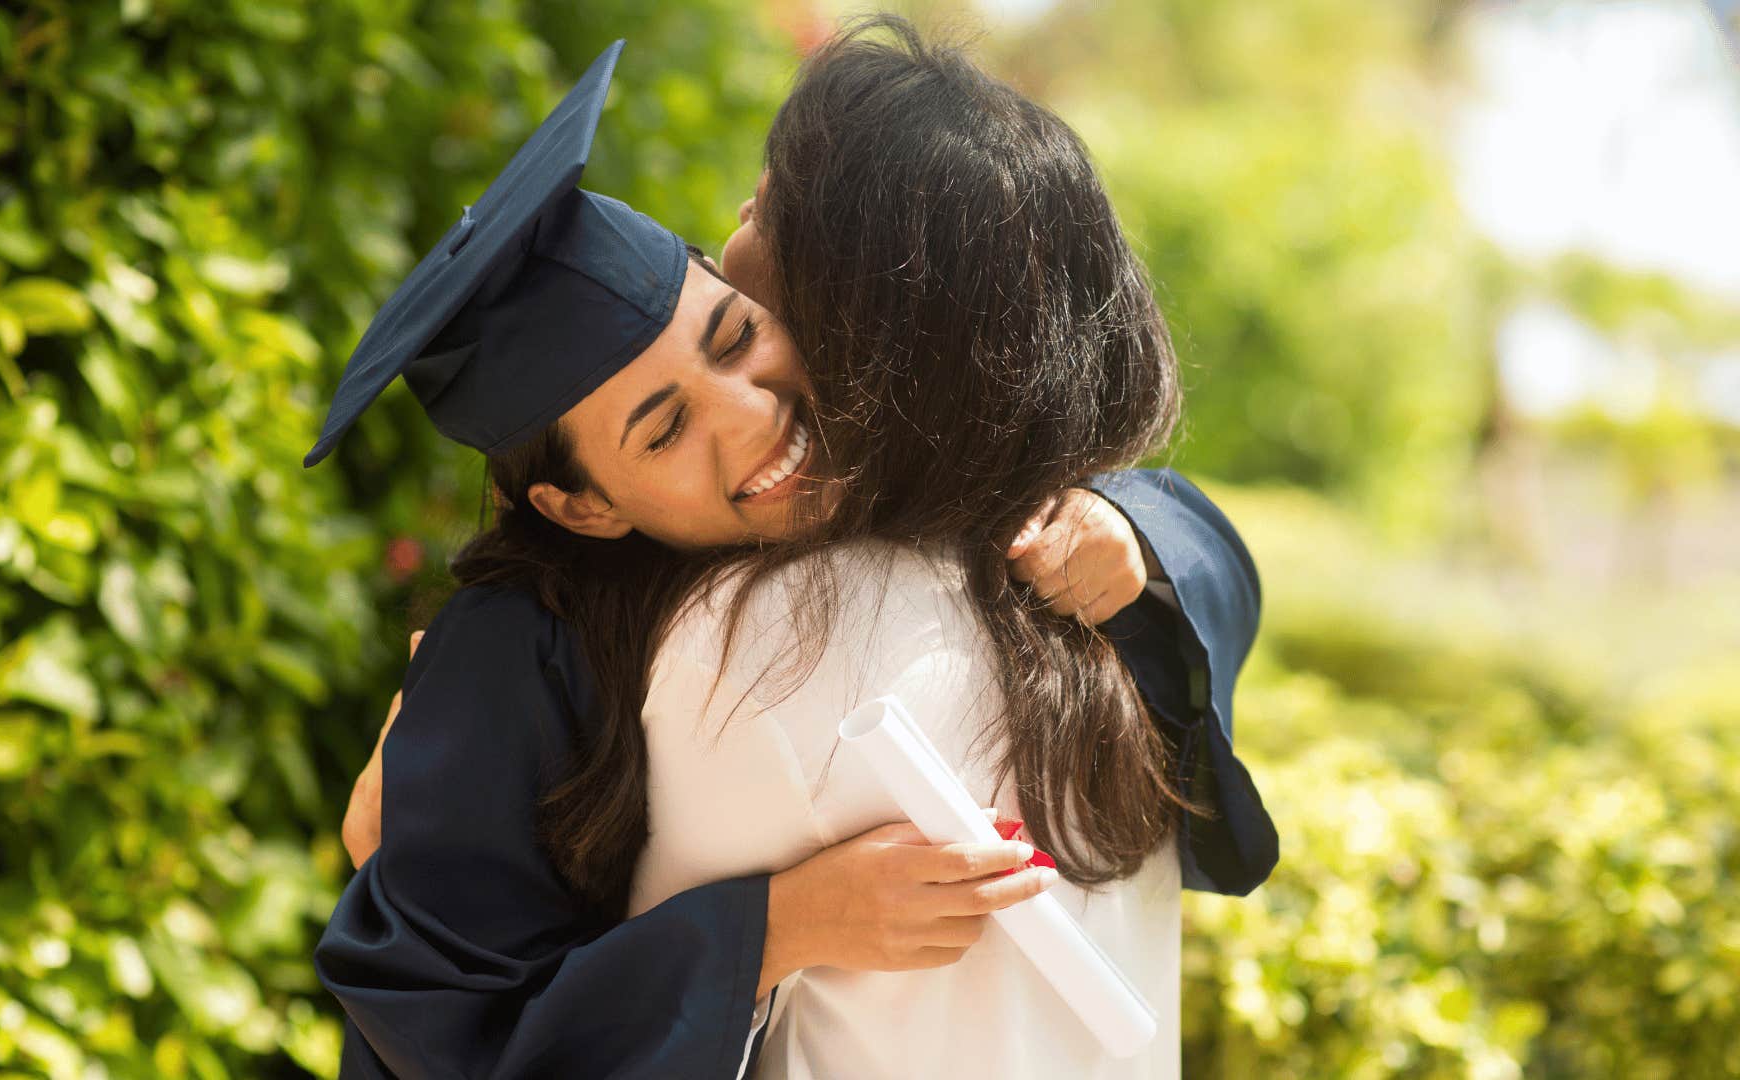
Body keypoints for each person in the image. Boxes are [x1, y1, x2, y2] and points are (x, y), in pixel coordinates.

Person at [312, 32, 1273, 1080]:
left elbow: (1182, 531)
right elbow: (456, 1037)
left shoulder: (887, 500)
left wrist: (1128, 531)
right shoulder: (510, 656)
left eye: (735, 336)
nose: (754, 415)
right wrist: (769, 930)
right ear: (580, 506)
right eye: (663, 430)